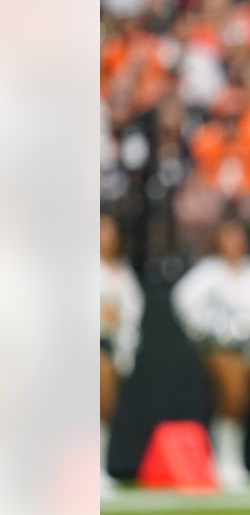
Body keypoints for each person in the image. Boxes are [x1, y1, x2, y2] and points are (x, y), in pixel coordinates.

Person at [171, 218, 250, 492]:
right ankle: (223, 463)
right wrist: (208, 331)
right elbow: (183, 300)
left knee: (240, 402)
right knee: (231, 396)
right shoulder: (209, 271)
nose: (234, 244)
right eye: (228, 238)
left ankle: (232, 461)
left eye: (238, 238)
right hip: (221, 347)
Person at [100, 213, 144, 497]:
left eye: (110, 231)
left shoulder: (124, 273)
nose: (106, 237)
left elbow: (131, 315)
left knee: (105, 408)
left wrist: (125, 350)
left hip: (110, 346)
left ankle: (98, 469)